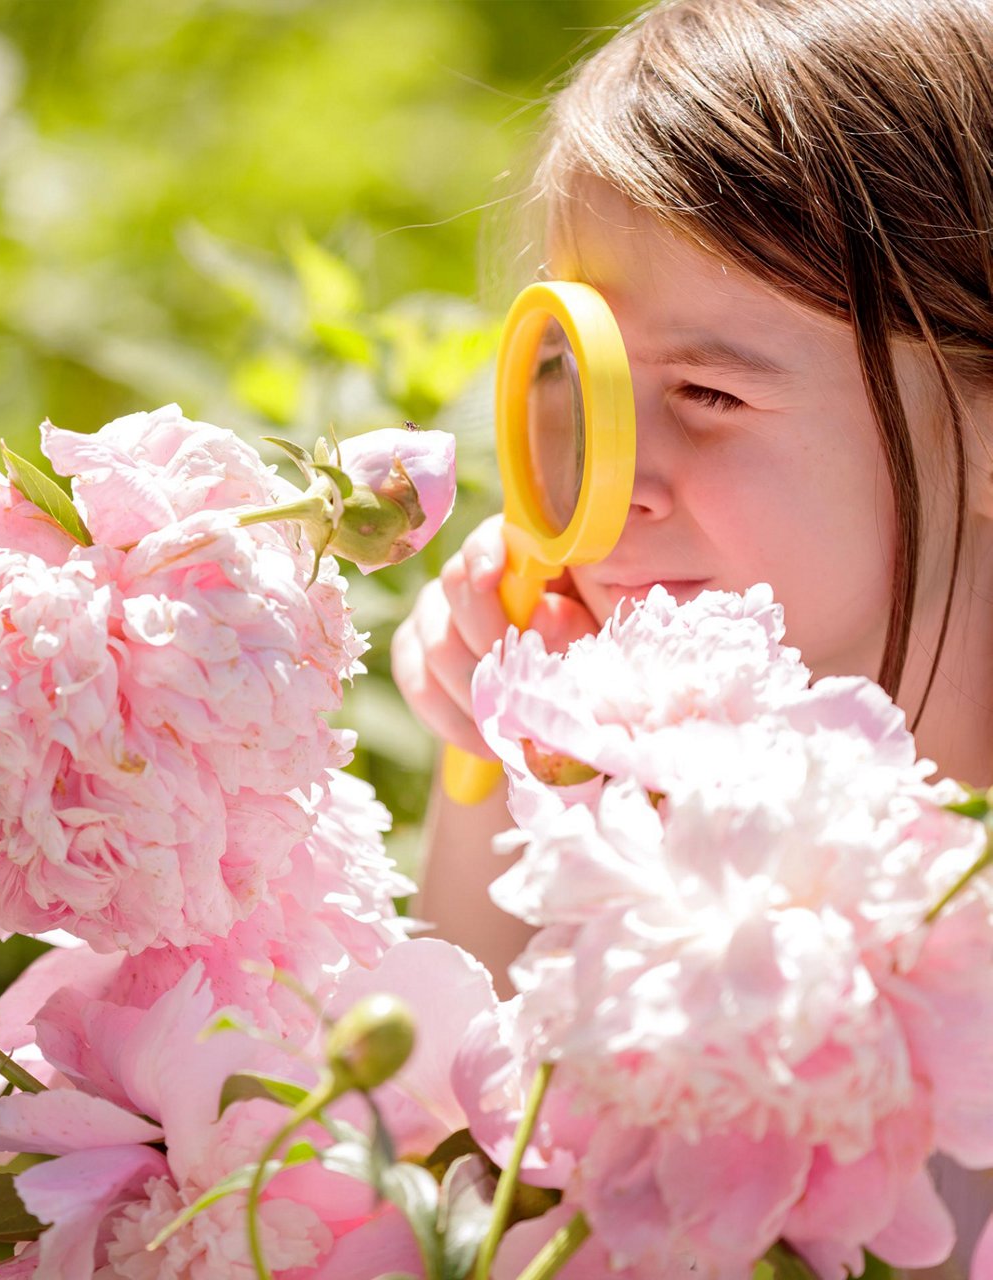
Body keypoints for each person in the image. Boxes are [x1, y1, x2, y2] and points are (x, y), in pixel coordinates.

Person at [392, 1, 993, 1268]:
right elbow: (438, 1156)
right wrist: (492, 764)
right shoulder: (620, 813)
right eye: (573, 381)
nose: (605, 484)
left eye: (707, 393)